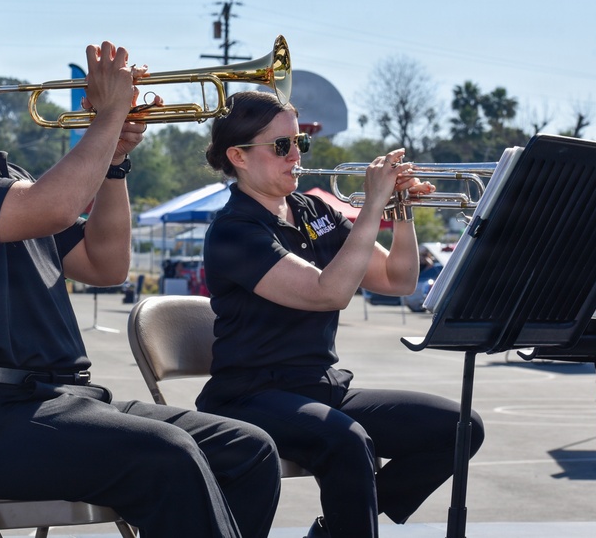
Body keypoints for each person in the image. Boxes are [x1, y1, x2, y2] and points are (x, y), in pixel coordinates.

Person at [0, 0, 281, 538]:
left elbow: (105, 263)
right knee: (169, 456)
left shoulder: (2, 171)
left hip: (66, 401)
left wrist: (113, 163)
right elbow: (53, 206)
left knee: (249, 450)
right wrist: (109, 115)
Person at [195, 90, 486, 538]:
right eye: (281, 146)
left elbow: (398, 280)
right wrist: (372, 204)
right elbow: (326, 293)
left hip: (319, 385)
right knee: (346, 442)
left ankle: (337, 529)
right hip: (249, 393)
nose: (296, 155)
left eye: (299, 143)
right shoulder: (234, 230)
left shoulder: (313, 212)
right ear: (238, 156)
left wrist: (400, 210)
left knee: (461, 427)